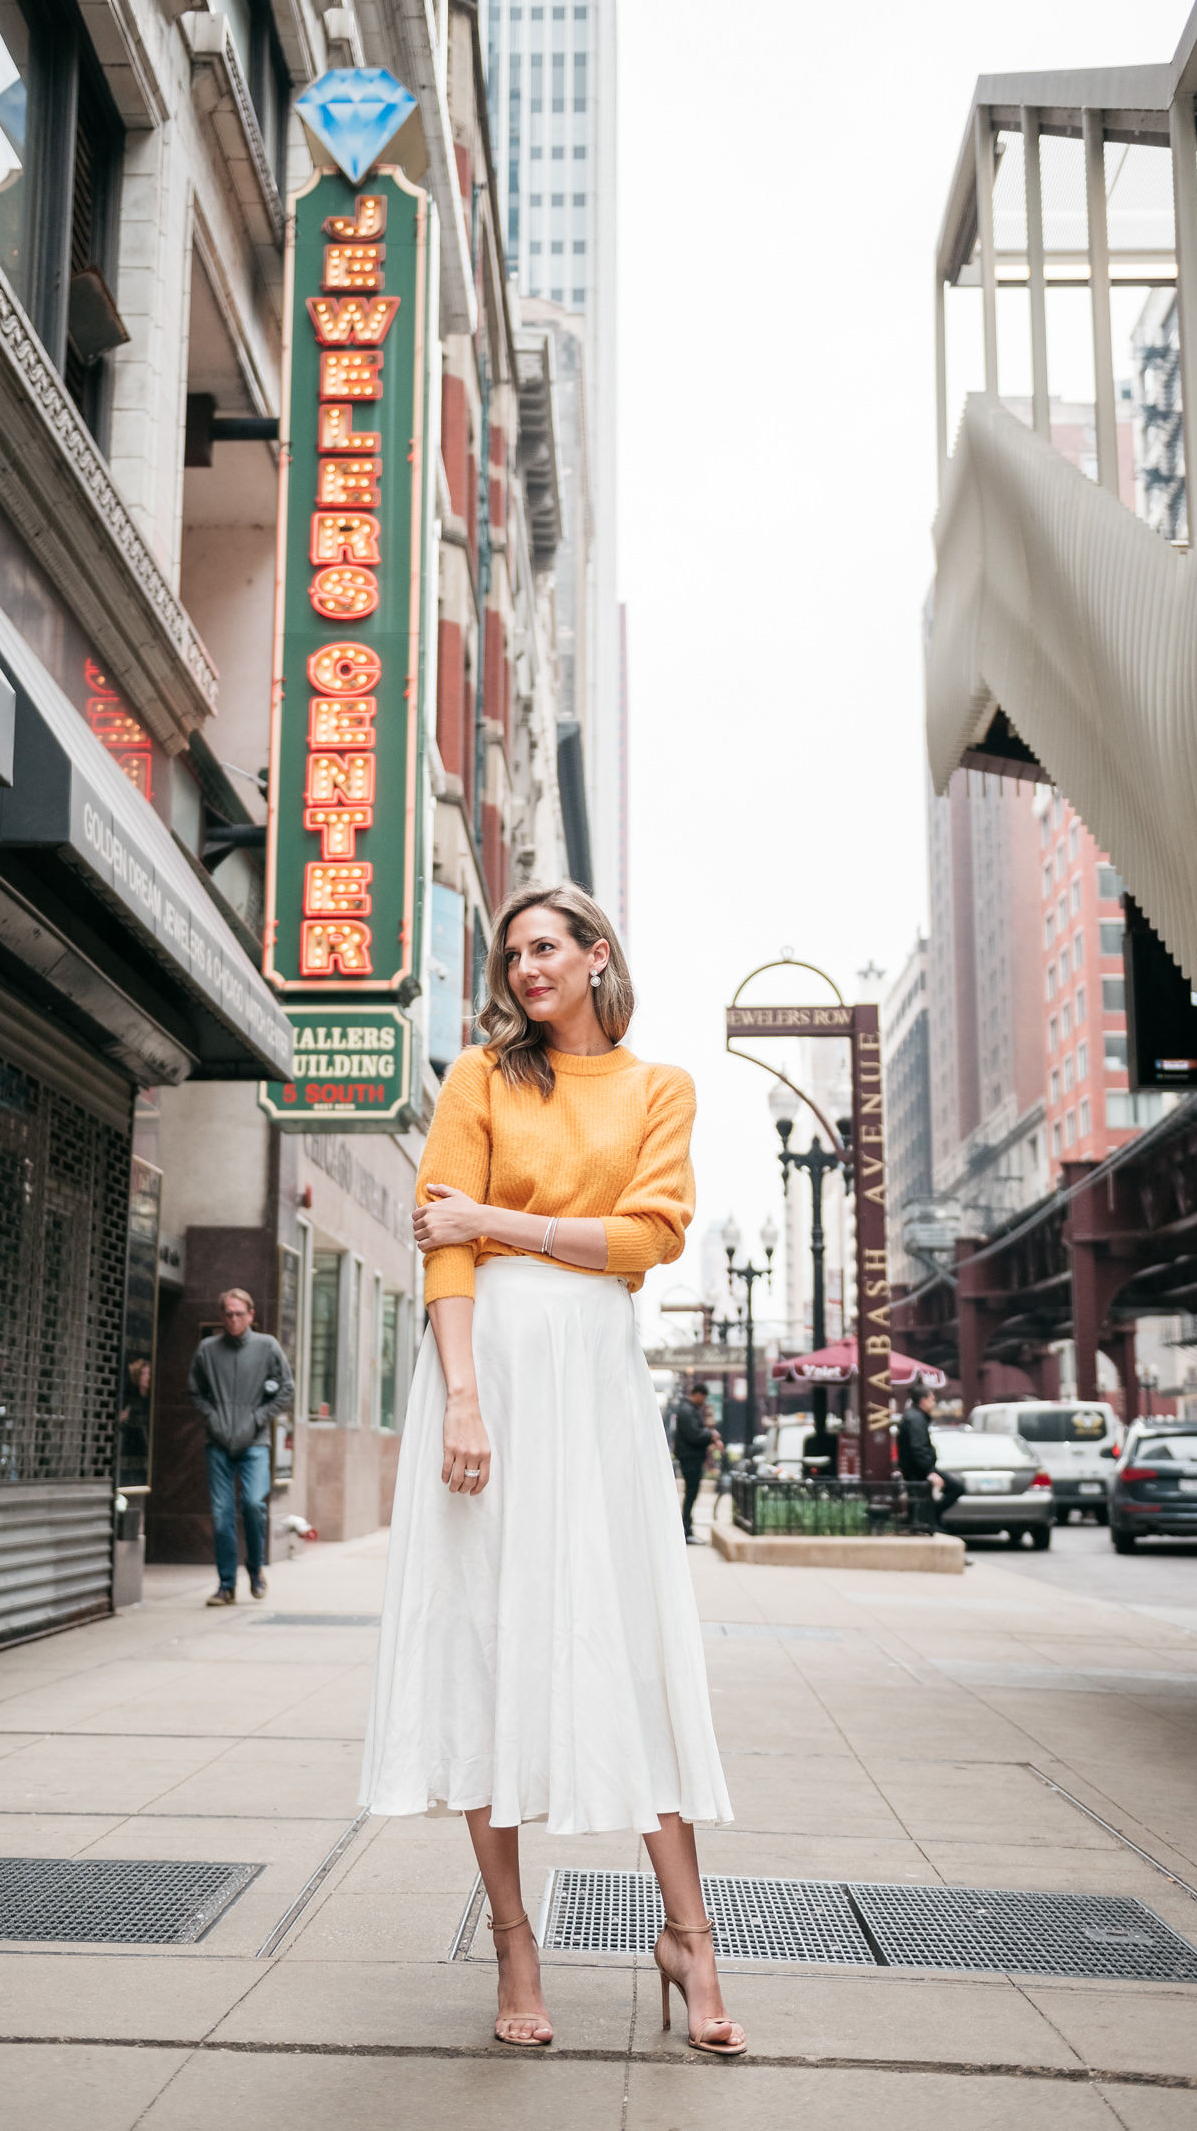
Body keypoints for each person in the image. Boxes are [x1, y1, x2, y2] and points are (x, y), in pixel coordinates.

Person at [360, 881, 743, 2057]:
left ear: (595, 956)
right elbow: (441, 1242)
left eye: (545, 947)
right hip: (489, 1373)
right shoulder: (481, 1077)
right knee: (483, 1637)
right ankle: (514, 1939)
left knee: (625, 1642)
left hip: (593, 1382)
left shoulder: (657, 1087)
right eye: (510, 952)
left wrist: (501, 1217)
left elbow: (647, 1237)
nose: (525, 968)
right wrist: (463, 1395)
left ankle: (690, 1936)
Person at [187, 1288, 290, 1606]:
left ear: (251, 1315)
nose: (233, 1319)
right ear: (222, 1316)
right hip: (217, 1443)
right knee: (221, 1515)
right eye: (228, 1314)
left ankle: (256, 1568)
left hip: (255, 1443)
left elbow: (286, 1388)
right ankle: (226, 1585)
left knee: (253, 1505)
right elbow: (195, 1390)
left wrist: (260, 1417)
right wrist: (211, 1416)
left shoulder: (267, 1346)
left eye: (239, 1313)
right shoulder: (207, 1349)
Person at [897, 1380, 964, 1526]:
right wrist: (930, 1471)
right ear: (923, 1400)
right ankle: (930, 1517)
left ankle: (929, 1519)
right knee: (957, 1487)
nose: (934, 1403)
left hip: (917, 1470)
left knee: (920, 1500)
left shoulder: (915, 1417)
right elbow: (918, 1448)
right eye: (932, 1399)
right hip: (919, 1471)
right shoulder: (915, 1419)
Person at [674, 1384, 720, 1544]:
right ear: (697, 1394)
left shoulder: (688, 1410)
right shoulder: (687, 1411)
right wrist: (710, 1434)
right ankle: (686, 1530)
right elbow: (694, 1435)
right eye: (704, 1397)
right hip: (690, 1459)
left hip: (691, 1458)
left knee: (691, 1494)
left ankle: (687, 1529)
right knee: (691, 1494)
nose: (704, 1401)